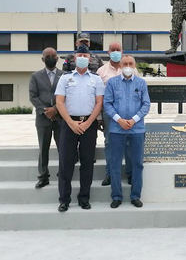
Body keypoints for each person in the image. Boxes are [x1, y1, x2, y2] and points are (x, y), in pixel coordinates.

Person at [54, 45, 104, 212]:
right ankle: (64, 199)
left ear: (90, 58)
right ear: (75, 58)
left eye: (85, 55)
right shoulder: (65, 78)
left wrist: (89, 123)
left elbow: (99, 103)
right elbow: (59, 102)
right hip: (69, 125)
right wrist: (71, 123)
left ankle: (84, 198)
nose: (82, 57)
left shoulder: (96, 79)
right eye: (79, 54)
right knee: (66, 163)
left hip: (89, 125)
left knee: (87, 162)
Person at [104, 55, 151, 208]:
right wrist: (119, 120)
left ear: (134, 65)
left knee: (137, 164)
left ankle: (135, 196)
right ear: (120, 66)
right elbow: (107, 104)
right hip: (117, 130)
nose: (128, 66)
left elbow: (146, 105)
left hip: (136, 129)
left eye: (131, 63)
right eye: (125, 63)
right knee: (115, 164)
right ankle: (116, 196)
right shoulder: (112, 83)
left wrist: (133, 120)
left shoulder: (141, 83)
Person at [96, 42, 136, 186]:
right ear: (108, 52)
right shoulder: (101, 72)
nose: (115, 52)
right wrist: (99, 117)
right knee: (110, 143)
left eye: (118, 50)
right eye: (113, 50)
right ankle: (111, 174)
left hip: (129, 113)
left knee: (130, 143)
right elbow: (99, 97)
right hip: (110, 114)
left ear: (122, 51)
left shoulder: (131, 69)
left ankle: (131, 174)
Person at [28, 47, 62, 189]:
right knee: (43, 148)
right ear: (42, 59)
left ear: (57, 58)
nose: (50, 58)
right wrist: (45, 110)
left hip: (60, 117)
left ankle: (63, 173)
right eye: (47, 56)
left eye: (53, 55)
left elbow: (68, 95)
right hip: (43, 118)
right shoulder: (35, 76)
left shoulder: (64, 75)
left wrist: (55, 109)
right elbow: (33, 96)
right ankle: (43, 176)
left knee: (63, 148)